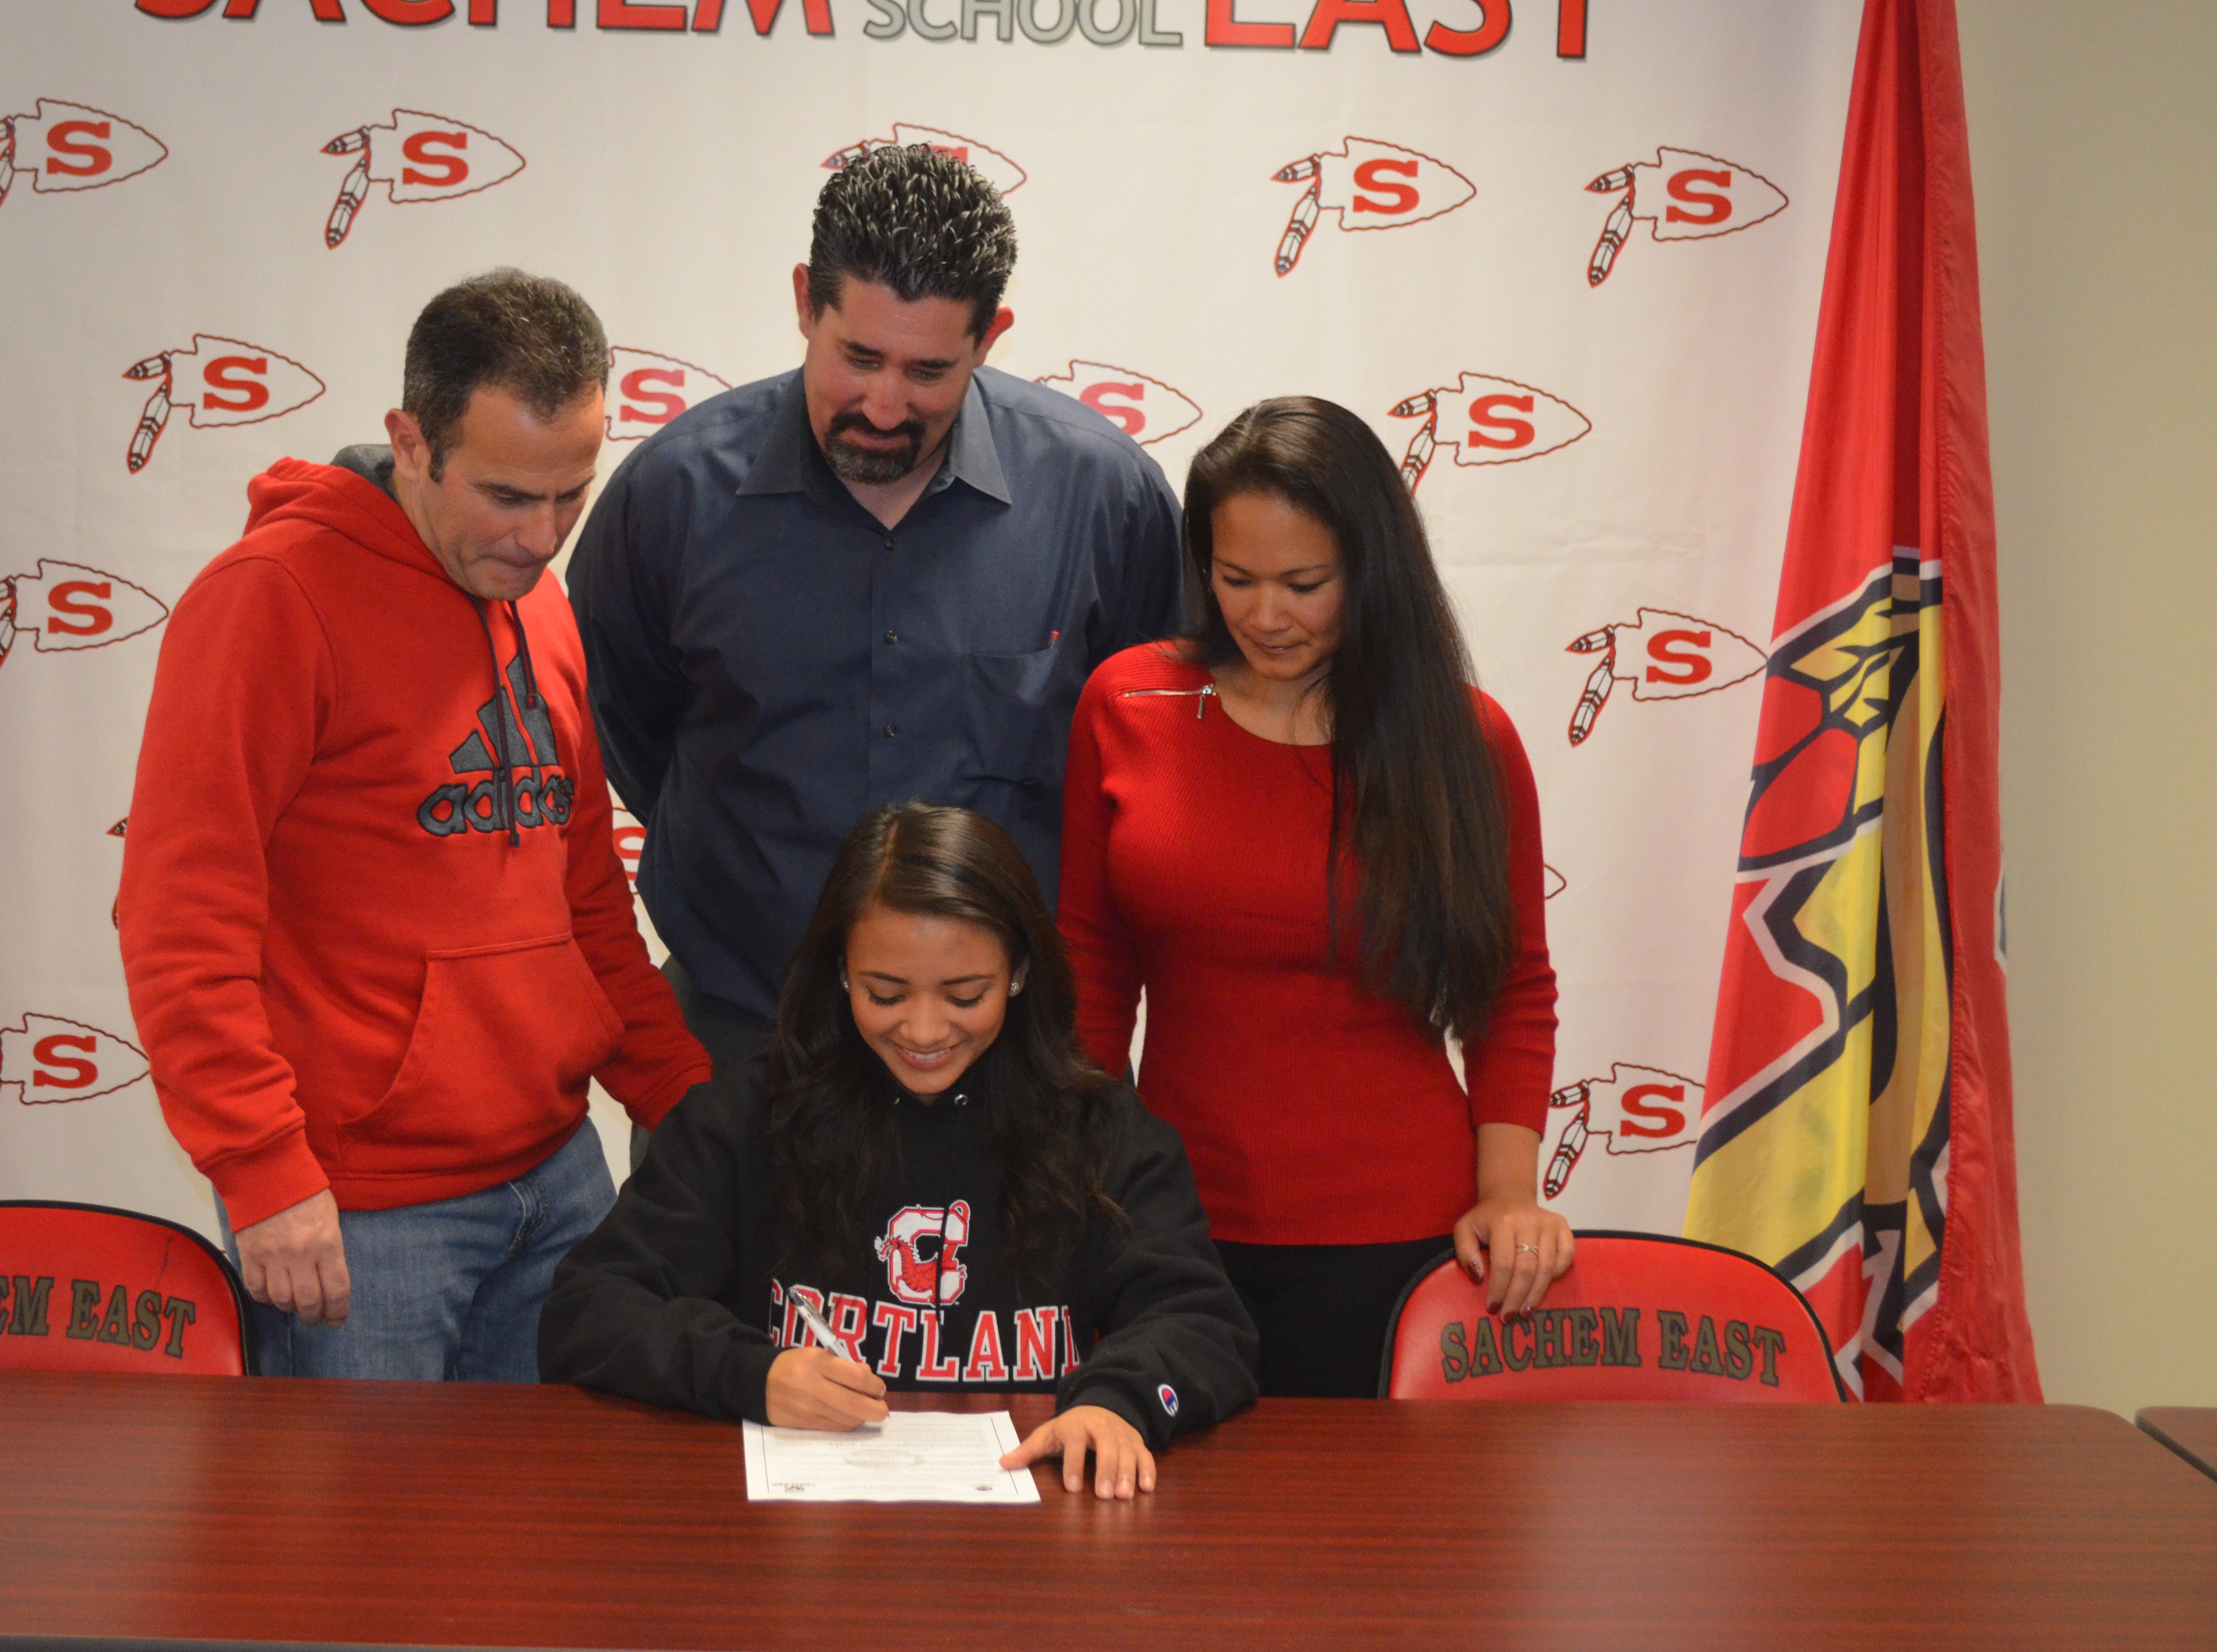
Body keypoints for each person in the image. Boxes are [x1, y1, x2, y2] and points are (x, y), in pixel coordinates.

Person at [119, 270, 711, 1381]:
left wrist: (682, 1096)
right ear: (411, 442)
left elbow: (584, 898)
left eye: (570, 495)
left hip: (560, 1176)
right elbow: (178, 919)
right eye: (505, 495)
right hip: (362, 1214)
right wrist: (261, 1169)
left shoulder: (538, 602)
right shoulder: (272, 599)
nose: (541, 537)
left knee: (565, 1499)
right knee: (362, 1507)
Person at [566, 144, 1185, 1076]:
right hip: (742, 1041)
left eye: (928, 371)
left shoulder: (1104, 500)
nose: (885, 407)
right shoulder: (671, 496)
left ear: (990, 336)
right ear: (804, 302)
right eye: (858, 359)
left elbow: (1149, 760)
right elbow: (624, 727)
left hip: (1011, 1058)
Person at [1059, 397, 1573, 1400]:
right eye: (1235, 578)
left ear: (1372, 570)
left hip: (1401, 1236)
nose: (1265, 616)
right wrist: (1081, 1171)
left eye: (1304, 584)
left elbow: (1511, 986)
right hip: (1168, 1221)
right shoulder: (1128, 703)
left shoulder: (1463, 740)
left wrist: (1509, 1193)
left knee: (1365, 1506)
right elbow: (1092, 964)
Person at [541, 803, 1257, 1500]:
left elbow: (1204, 1323)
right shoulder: (744, 1121)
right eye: (885, 994)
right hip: (797, 1534)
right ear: (841, 972)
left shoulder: (1100, 1132)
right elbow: (589, 1309)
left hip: (1032, 1527)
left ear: (1017, 972)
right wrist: (749, 1374)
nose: (923, 1030)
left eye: (964, 995)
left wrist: (1119, 1401)